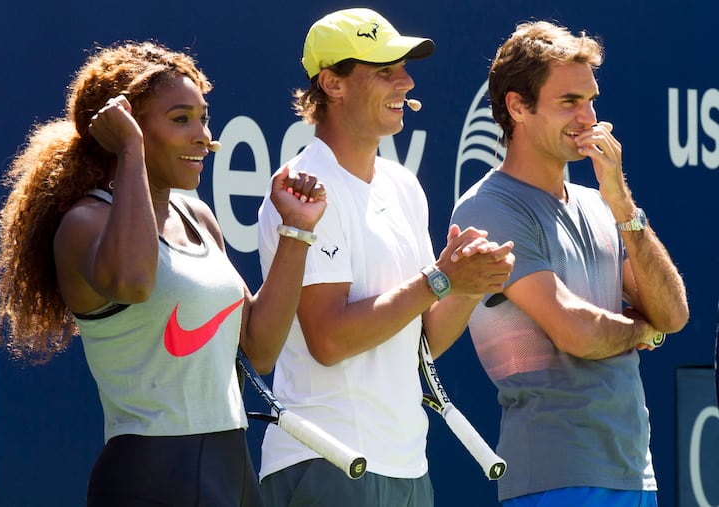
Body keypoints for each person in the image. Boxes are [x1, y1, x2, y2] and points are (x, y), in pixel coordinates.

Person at [0, 41, 327, 507]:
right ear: (124, 125)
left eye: (203, 117)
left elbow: (261, 349)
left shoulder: (199, 216)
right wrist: (130, 152)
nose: (203, 136)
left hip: (233, 470)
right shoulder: (85, 222)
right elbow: (134, 282)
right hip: (152, 477)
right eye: (180, 119)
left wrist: (296, 231)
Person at [256, 8, 515, 507]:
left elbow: (424, 342)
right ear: (332, 84)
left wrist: (466, 285)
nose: (406, 81)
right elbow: (328, 340)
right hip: (327, 464)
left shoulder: (403, 187)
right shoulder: (305, 188)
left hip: (407, 467)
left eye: (403, 68)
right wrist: (439, 278)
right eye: (384, 71)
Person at [450, 21, 689, 507]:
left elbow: (673, 314)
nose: (589, 118)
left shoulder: (601, 204)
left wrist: (622, 205)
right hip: (554, 478)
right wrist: (640, 333)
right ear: (517, 107)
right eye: (569, 102)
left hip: (635, 473)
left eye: (591, 100)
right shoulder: (489, 208)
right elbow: (576, 333)